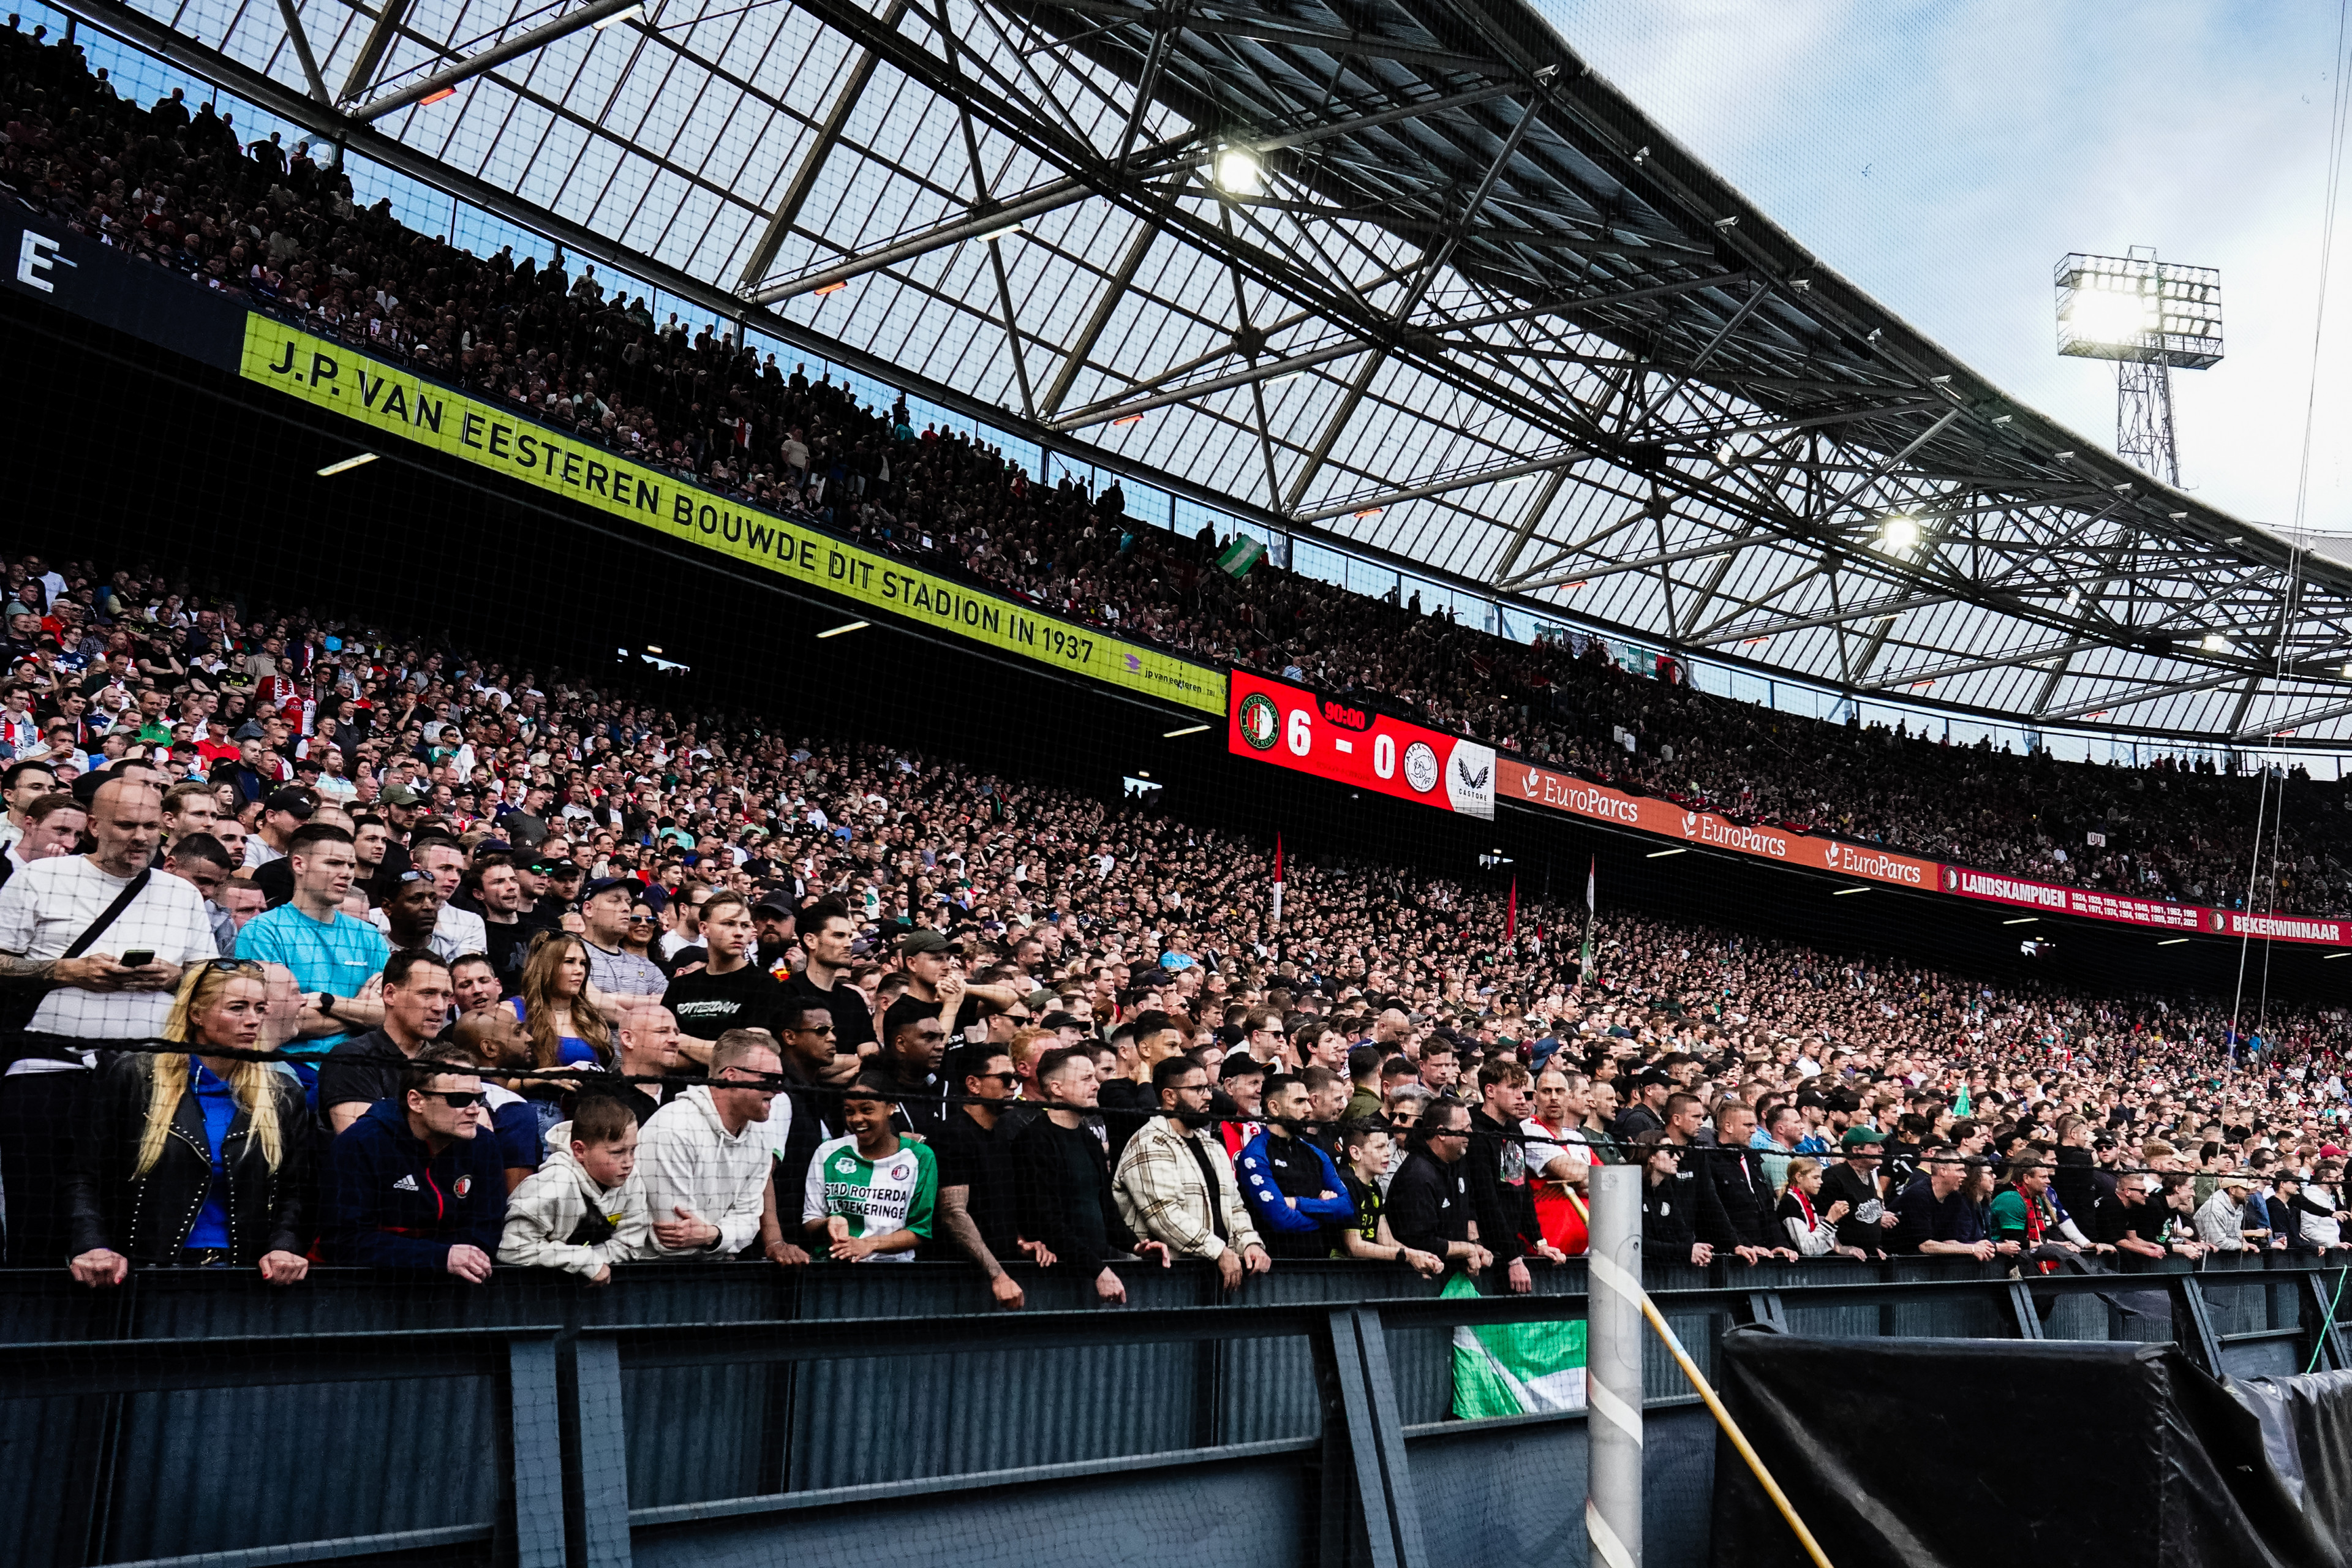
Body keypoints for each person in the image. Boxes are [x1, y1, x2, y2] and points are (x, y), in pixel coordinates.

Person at [0, 777, 217, 1265]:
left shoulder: (181, 895)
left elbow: (209, 977)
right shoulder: (40, 878)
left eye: (149, 825)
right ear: (95, 825)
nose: (140, 837)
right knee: (40, 1214)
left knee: (133, 1216)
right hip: (49, 1071)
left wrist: (174, 977)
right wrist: (65, 969)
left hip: (149, 1076)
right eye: (125, 825)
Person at [64, 958, 311, 1284]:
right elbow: (85, 1174)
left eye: (260, 1008)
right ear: (196, 1014)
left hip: (246, 1277)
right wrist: (92, 1245)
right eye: (238, 1008)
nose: (253, 1020)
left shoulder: (283, 1094)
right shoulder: (136, 1077)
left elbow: (294, 1191)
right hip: (144, 1272)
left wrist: (284, 1246)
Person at [322, 1041, 508, 1280]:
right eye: (460, 1099)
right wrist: (440, 1256)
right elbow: (342, 1241)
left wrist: (448, 1257)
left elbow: (485, 1233)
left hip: (450, 1289)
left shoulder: (484, 1145)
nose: (474, 1110)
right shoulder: (362, 1143)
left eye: (478, 1098)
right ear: (416, 1101)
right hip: (360, 1288)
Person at [1009, 1044, 1165, 1303]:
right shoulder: (1034, 1141)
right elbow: (1044, 1219)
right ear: (1057, 1088)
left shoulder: (1089, 1139)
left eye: (1094, 1077)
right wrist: (1098, 1270)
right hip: (1053, 1280)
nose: (1096, 1085)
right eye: (1086, 1079)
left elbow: (1105, 1209)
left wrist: (1136, 1245)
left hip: (1094, 1272)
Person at [234, 821, 389, 1080]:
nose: (347, 873)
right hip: (292, 1070)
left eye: (350, 865)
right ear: (299, 864)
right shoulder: (263, 931)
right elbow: (276, 1022)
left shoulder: (369, 936)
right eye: (334, 863)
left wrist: (329, 1002)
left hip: (365, 1069)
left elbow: (390, 1015)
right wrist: (361, 1010)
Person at [1114, 1053, 1268, 1289]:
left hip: (1216, 1277)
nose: (1208, 1096)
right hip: (1162, 1281)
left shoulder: (1212, 1146)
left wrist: (1250, 1244)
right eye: (1198, 1089)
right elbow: (1163, 1215)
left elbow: (1235, 1207)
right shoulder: (1148, 1143)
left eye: (1208, 1087)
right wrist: (1219, 1251)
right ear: (1169, 1096)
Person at [636, 1028, 780, 1259]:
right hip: (650, 1276)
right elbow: (671, 1239)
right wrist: (724, 1237)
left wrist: (712, 1236)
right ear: (731, 1076)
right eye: (769, 1079)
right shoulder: (673, 1128)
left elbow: (749, 1222)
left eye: (780, 1080)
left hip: (716, 1272)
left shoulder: (761, 1137)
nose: (779, 1090)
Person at [497, 1095, 649, 1283]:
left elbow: (630, 1244)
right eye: (617, 1152)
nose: (629, 1162)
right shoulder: (553, 1186)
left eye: (633, 1150)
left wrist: (592, 1262)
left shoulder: (631, 1179)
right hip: (533, 1291)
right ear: (579, 1151)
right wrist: (583, 1261)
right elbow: (511, 1249)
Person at [929, 1042, 1031, 1304]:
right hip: (955, 1282)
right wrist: (998, 1275)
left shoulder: (1002, 1134)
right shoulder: (951, 1136)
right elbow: (953, 1212)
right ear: (973, 1084)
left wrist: (1019, 1241)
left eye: (1016, 1078)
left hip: (999, 1274)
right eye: (1005, 1078)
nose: (1013, 1086)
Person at [802, 1072, 938, 1263]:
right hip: (833, 1267)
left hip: (893, 1271)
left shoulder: (921, 1157)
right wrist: (828, 1223)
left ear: (891, 1108)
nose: (857, 1119)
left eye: (867, 1110)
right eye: (849, 1111)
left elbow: (919, 1230)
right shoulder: (828, 1152)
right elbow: (810, 1219)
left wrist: (869, 1244)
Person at [318, 948, 455, 1133]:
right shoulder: (353, 1058)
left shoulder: (451, 1058)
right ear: (390, 994)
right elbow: (362, 1143)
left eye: (446, 996)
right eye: (427, 993)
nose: (440, 1007)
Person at [1464, 1060, 1567, 1290]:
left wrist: (1538, 1242)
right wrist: (1513, 1259)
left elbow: (1521, 1189)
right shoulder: (1475, 1133)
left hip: (1510, 1247)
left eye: (1522, 1089)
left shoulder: (1513, 1129)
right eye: (1513, 1088)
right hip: (1485, 1253)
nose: (1522, 1097)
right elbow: (1486, 1200)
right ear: (1490, 1091)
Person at [659, 892, 786, 1070]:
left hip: (734, 1091)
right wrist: (719, 1055)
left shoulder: (764, 985)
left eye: (745, 926)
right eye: (728, 924)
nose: (739, 933)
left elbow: (748, 1056)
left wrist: (680, 1041)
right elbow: (658, 1052)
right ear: (704, 928)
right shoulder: (681, 986)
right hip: (675, 1093)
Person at [507, 931, 618, 1133]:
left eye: (583, 963)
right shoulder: (512, 1012)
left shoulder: (594, 1021)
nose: (579, 971)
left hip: (588, 1122)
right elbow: (494, 1084)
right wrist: (545, 1077)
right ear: (547, 966)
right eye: (570, 962)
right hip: (534, 1117)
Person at [1236, 1070, 1351, 1261]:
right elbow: (1280, 1219)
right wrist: (1326, 1213)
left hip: (1320, 1267)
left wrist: (1297, 1203)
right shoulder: (1255, 1155)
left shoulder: (1316, 1153)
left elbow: (1347, 1207)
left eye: (1307, 1101)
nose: (1308, 1109)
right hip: (1275, 1271)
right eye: (1299, 1102)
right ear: (1274, 1107)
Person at [1384, 1099, 1489, 1275]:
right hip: (1415, 1280)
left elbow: (1470, 1206)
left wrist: (1476, 1245)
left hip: (1453, 1272)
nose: (1471, 1132)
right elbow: (1419, 1241)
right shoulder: (1417, 1175)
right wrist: (1466, 1250)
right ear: (1441, 1132)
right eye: (1465, 1128)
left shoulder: (1458, 1160)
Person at [1332, 1117, 1443, 1275]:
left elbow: (1386, 1241)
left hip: (1364, 1273)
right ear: (1356, 1153)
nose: (1388, 1153)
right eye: (1380, 1147)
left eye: (1387, 1146)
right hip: (1339, 1273)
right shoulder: (1346, 1184)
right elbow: (1354, 1247)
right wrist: (1408, 1256)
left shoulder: (1374, 1186)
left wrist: (1422, 1257)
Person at [784, 895, 876, 1058]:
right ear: (811, 941)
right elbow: (796, 1064)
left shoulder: (854, 999)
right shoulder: (787, 994)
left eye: (849, 936)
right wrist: (855, 1061)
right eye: (839, 936)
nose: (849, 944)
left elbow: (871, 1061)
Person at [1890, 1150, 1998, 1261]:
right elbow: (1925, 1246)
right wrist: (1972, 1249)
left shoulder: (1954, 1197)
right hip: (1897, 1261)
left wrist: (1979, 1246)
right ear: (1943, 1171)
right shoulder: (1919, 1194)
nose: (1964, 1175)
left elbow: (1948, 1240)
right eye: (1960, 1170)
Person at [578, 876, 666, 1000]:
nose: (626, 908)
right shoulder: (568, 954)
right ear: (589, 909)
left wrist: (612, 999)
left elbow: (671, 1005)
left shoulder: (645, 966)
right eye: (615, 901)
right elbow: (583, 1002)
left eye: (628, 903)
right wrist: (650, 1002)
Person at [1637, 1132, 1714, 1268]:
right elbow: (1639, 1243)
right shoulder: (1633, 1190)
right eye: (1670, 1153)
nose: (1677, 1158)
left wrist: (1695, 1249)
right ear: (1652, 1157)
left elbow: (1680, 1232)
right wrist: (1686, 1250)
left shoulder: (1666, 1189)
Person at [1819, 1125, 1895, 1258]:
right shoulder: (1834, 1177)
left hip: (1866, 1256)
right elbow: (1821, 1218)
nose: (1882, 1149)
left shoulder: (1868, 1174)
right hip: (1841, 1263)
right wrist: (1839, 1248)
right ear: (1856, 1150)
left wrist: (1873, 1248)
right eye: (1874, 1145)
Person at [1776, 1158, 1852, 1259]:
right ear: (1799, 1177)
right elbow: (1807, 1248)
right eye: (1815, 1178)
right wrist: (1830, 1220)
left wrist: (1834, 1221)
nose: (1821, 1182)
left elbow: (1822, 1246)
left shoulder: (1809, 1201)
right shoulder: (1790, 1203)